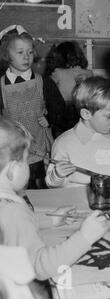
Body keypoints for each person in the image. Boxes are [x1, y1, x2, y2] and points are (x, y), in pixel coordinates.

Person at [0, 118, 108, 282]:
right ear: (12, 170)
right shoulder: (12, 211)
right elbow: (40, 267)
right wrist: (85, 236)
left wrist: (51, 220)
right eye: (26, 160)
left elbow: (12, 229)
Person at [0, 25, 67, 189]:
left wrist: (50, 119)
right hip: (12, 150)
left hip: (39, 147)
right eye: (20, 52)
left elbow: (59, 107)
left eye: (30, 52)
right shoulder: (0, 86)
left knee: (40, 187)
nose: (26, 57)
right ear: (7, 55)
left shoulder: (43, 81)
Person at [45, 76, 110, 188]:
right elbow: (52, 184)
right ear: (86, 114)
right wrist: (57, 175)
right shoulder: (63, 143)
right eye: (109, 116)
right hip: (75, 200)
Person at [45, 41, 93, 133]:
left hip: (62, 113)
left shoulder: (58, 72)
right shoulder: (89, 73)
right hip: (83, 111)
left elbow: (46, 87)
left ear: (58, 57)